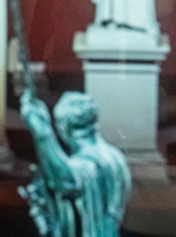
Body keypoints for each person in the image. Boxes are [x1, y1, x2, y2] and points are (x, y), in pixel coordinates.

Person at [19, 91, 131, 237]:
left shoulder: (89, 164)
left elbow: (65, 179)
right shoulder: (116, 157)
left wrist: (41, 130)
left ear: (63, 126)